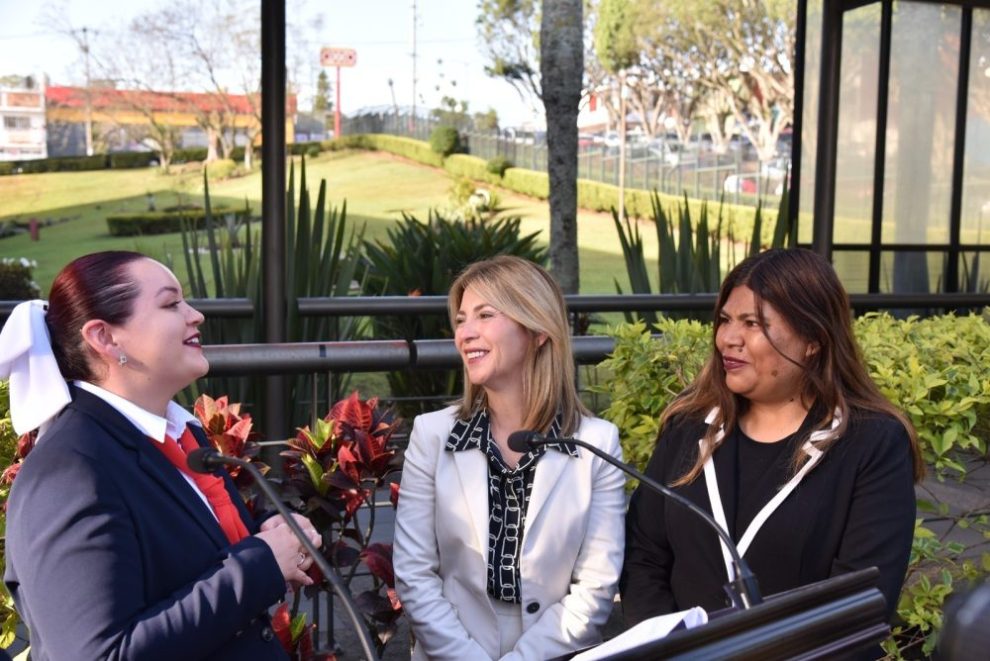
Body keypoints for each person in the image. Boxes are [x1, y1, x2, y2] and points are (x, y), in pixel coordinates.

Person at [0, 251, 323, 661]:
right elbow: (99, 654)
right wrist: (261, 566)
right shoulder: (70, 471)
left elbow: (181, 552)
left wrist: (267, 530)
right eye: (171, 304)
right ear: (104, 337)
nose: (195, 316)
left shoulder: (175, 432)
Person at [620, 248, 923, 629]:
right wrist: (667, 650)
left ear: (813, 338)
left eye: (753, 323)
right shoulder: (689, 425)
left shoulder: (872, 444)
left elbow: (858, 606)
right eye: (726, 320)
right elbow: (644, 556)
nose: (728, 338)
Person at [393, 256, 626, 660]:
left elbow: (595, 587)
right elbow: (414, 574)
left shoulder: (596, 444)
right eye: (461, 319)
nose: (466, 333)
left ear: (537, 330)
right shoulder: (432, 435)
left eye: (485, 315)